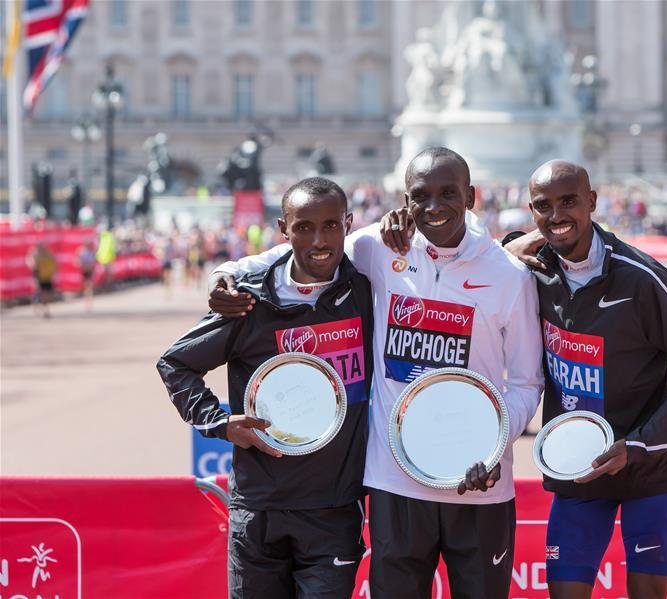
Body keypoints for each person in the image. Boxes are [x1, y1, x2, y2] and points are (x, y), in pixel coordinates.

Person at [208, 147, 543, 598]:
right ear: (405, 202)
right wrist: (226, 272)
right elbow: (306, 249)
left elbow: (525, 382)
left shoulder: (510, 275)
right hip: (394, 482)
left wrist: (495, 444)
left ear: (472, 196)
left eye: (448, 193)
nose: (435, 206)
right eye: (421, 196)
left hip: (478, 483)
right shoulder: (377, 248)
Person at [382, 160, 667, 599]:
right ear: (531, 211)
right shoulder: (527, 271)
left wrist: (638, 444)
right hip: (575, 471)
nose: (557, 215)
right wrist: (401, 219)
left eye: (569, 202)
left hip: (644, 470)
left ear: (592, 202)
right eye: (544, 206)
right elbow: (487, 252)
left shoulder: (645, 280)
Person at [158, 178, 375, 599]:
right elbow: (176, 363)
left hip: (332, 511)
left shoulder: (366, 291)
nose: (319, 240)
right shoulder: (248, 302)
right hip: (257, 511)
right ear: (283, 228)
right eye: (304, 227)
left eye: (331, 226)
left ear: (348, 225)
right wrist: (219, 423)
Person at [27, 243, 57, 318]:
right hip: (39, 277)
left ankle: (40, 305)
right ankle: (45, 311)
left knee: (49, 295)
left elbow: (54, 262)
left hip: (47, 277)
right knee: (43, 294)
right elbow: (31, 265)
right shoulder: (35, 256)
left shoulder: (48, 255)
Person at [76, 241, 97, 311]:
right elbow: (77, 262)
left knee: (89, 287)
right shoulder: (82, 252)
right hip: (84, 271)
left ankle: (89, 302)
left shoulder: (91, 252)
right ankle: (87, 302)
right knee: (86, 287)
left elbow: (94, 261)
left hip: (90, 271)